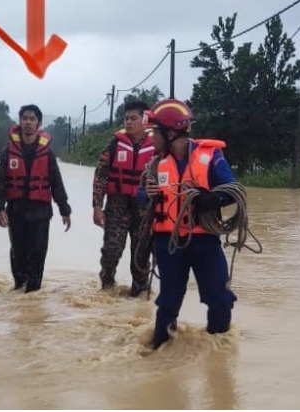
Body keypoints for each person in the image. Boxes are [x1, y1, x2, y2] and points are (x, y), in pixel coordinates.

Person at [137, 98, 238, 350]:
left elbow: (233, 189)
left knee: (219, 298)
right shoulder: (156, 163)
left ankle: (219, 349)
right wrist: (147, 194)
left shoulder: (211, 156)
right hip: (168, 242)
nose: (151, 138)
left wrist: (213, 198)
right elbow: (139, 195)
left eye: (154, 132)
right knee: (169, 299)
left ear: (170, 133)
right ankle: (160, 349)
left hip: (204, 238)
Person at [0, 104, 72, 292]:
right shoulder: (8, 152)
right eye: (25, 118)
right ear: (19, 122)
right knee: (18, 252)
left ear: (39, 123)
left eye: (32, 119)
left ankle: (33, 293)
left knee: (37, 253)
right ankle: (20, 288)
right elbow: (0, 183)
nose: (28, 122)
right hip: (16, 210)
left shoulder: (48, 153)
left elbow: (56, 183)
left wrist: (65, 210)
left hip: (40, 212)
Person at [92, 99, 154, 296]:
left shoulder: (157, 146)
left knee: (141, 254)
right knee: (111, 250)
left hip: (144, 209)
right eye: (126, 118)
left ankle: (140, 292)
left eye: (133, 118)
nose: (128, 122)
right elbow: (100, 175)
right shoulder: (114, 143)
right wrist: (97, 206)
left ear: (144, 119)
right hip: (117, 206)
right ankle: (107, 286)